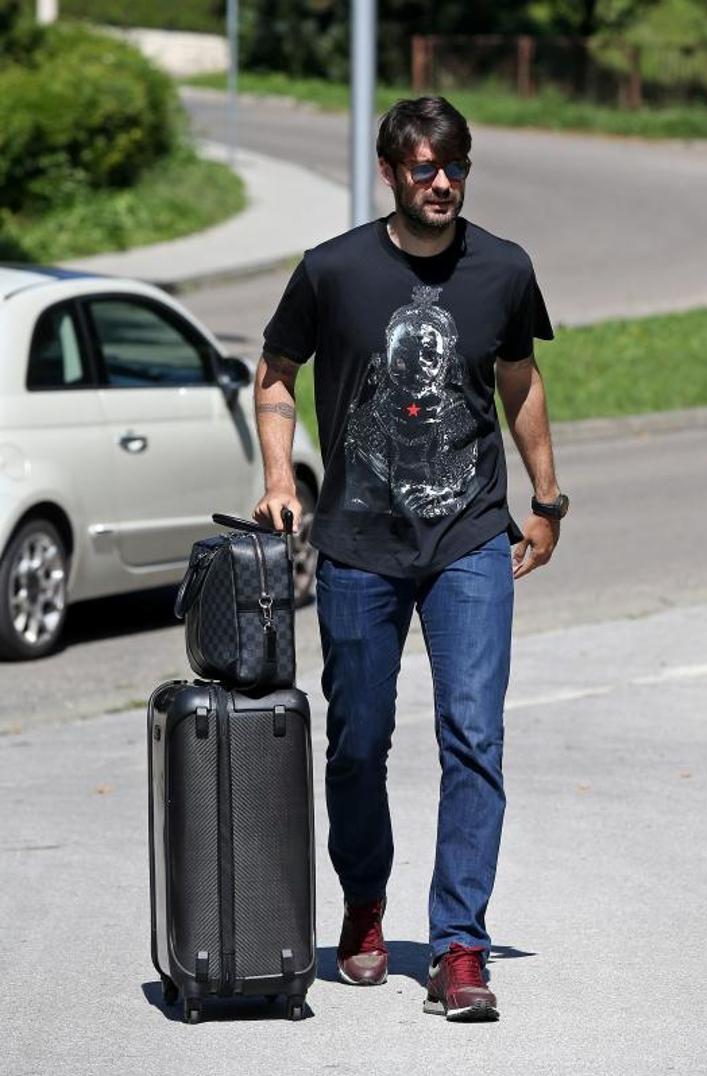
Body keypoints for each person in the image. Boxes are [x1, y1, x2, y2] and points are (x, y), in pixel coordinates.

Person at [253, 95, 568, 1022]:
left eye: (454, 165)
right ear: (390, 172)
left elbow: (520, 380)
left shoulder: (504, 269)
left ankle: (460, 947)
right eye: (424, 167)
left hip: (471, 537)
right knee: (358, 743)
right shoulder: (332, 271)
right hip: (358, 545)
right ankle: (364, 901)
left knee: (474, 735)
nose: (442, 182)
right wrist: (278, 475)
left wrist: (547, 499)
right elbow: (275, 371)